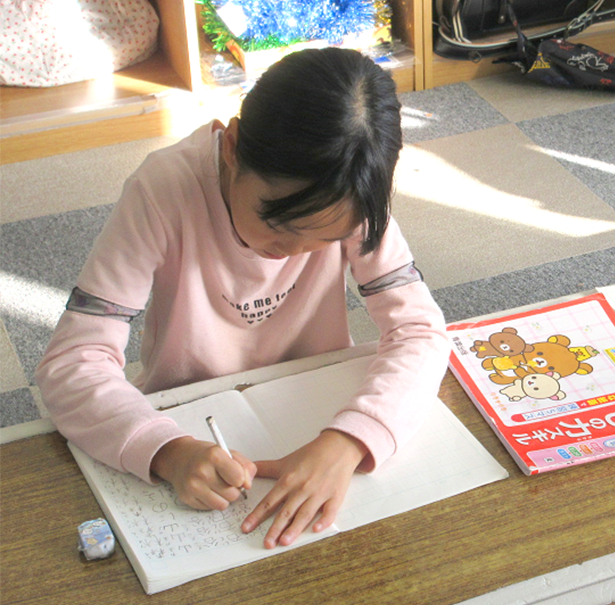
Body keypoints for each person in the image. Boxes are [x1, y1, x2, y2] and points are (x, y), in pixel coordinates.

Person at [37, 48, 450, 549]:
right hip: (187, 413)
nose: (293, 253)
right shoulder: (164, 188)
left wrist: (349, 441)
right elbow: (70, 364)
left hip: (313, 404)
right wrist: (166, 451)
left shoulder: (350, 192)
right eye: (280, 226)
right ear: (232, 145)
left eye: (322, 240)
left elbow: (421, 331)